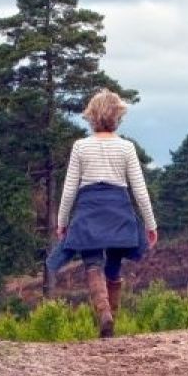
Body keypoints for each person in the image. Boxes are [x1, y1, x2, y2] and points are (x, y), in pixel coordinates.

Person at [55, 89, 158, 338]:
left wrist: (62, 222)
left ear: (92, 116)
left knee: (93, 264)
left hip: (89, 210)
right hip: (118, 210)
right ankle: (112, 318)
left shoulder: (81, 147)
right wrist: (150, 224)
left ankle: (104, 313)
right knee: (113, 265)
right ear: (117, 117)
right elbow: (140, 190)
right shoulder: (126, 148)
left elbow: (69, 190)